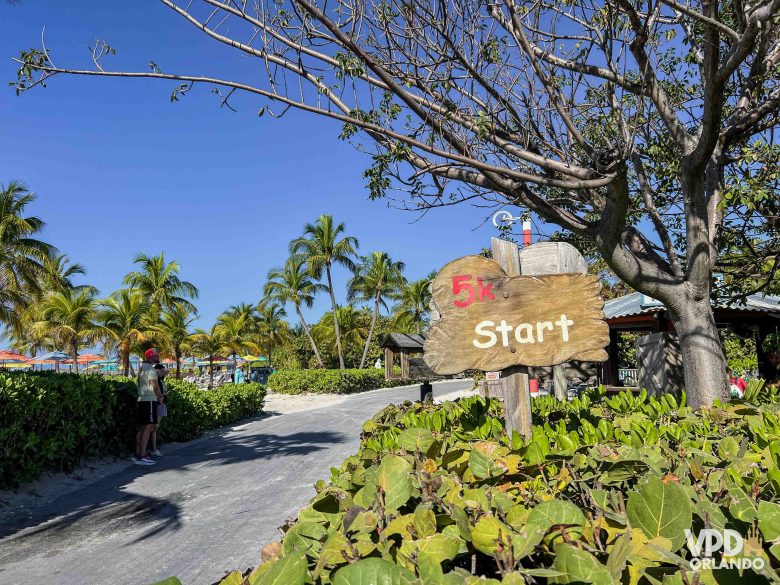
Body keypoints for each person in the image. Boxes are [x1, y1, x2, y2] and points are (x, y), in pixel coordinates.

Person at [133, 348, 163, 466]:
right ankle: (142, 456)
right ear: (151, 357)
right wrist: (160, 396)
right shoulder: (150, 369)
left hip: (142, 399)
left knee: (143, 427)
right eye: (156, 356)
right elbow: (155, 386)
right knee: (149, 427)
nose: (157, 358)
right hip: (149, 399)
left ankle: (138, 453)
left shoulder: (142, 368)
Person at [149, 362, 168, 457]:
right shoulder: (156, 380)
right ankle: (153, 449)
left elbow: (167, 372)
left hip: (161, 404)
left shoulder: (160, 379)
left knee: (155, 428)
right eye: (161, 371)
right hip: (158, 404)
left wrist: (160, 371)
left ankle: (154, 448)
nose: (163, 373)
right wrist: (155, 371)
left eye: (163, 372)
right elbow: (155, 391)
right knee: (154, 428)